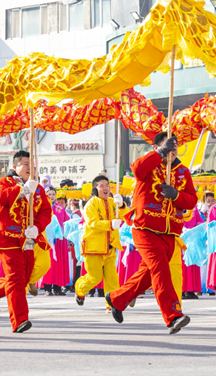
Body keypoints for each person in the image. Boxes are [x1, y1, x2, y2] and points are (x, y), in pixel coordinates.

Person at [105, 133, 196, 334]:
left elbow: (191, 200)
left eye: (175, 146)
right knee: (161, 270)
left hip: (170, 231)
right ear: (157, 146)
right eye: (168, 146)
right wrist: (159, 153)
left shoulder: (182, 171)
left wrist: (177, 195)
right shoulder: (149, 164)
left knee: (148, 274)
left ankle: (117, 299)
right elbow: (136, 169)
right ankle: (173, 316)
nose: (173, 149)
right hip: (145, 227)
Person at [0, 150, 52, 333]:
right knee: (16, 278)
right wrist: (22, 189)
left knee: (21, 280)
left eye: (32, 164)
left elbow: (46, 212)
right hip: (7, 238)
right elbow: (0, 198)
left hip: (28, 239)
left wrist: (37, 227)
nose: (30, 167)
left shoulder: (38, 188)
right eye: (25, 164)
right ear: (15, 167)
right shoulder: (3, 182)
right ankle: (20, 320)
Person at [75, 175, 129, 305]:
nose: (106, 188)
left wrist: (121, 205)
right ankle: (80, 290)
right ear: (94, 189)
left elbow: (126, 215)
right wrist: (110, 224)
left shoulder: (113, 202)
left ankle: (113, 304)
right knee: (95, 277)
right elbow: (92, 223)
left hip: (110, 246)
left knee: (112, 278)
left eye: (107, 185)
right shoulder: (90, 204)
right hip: (93, 247)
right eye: (101, 185)